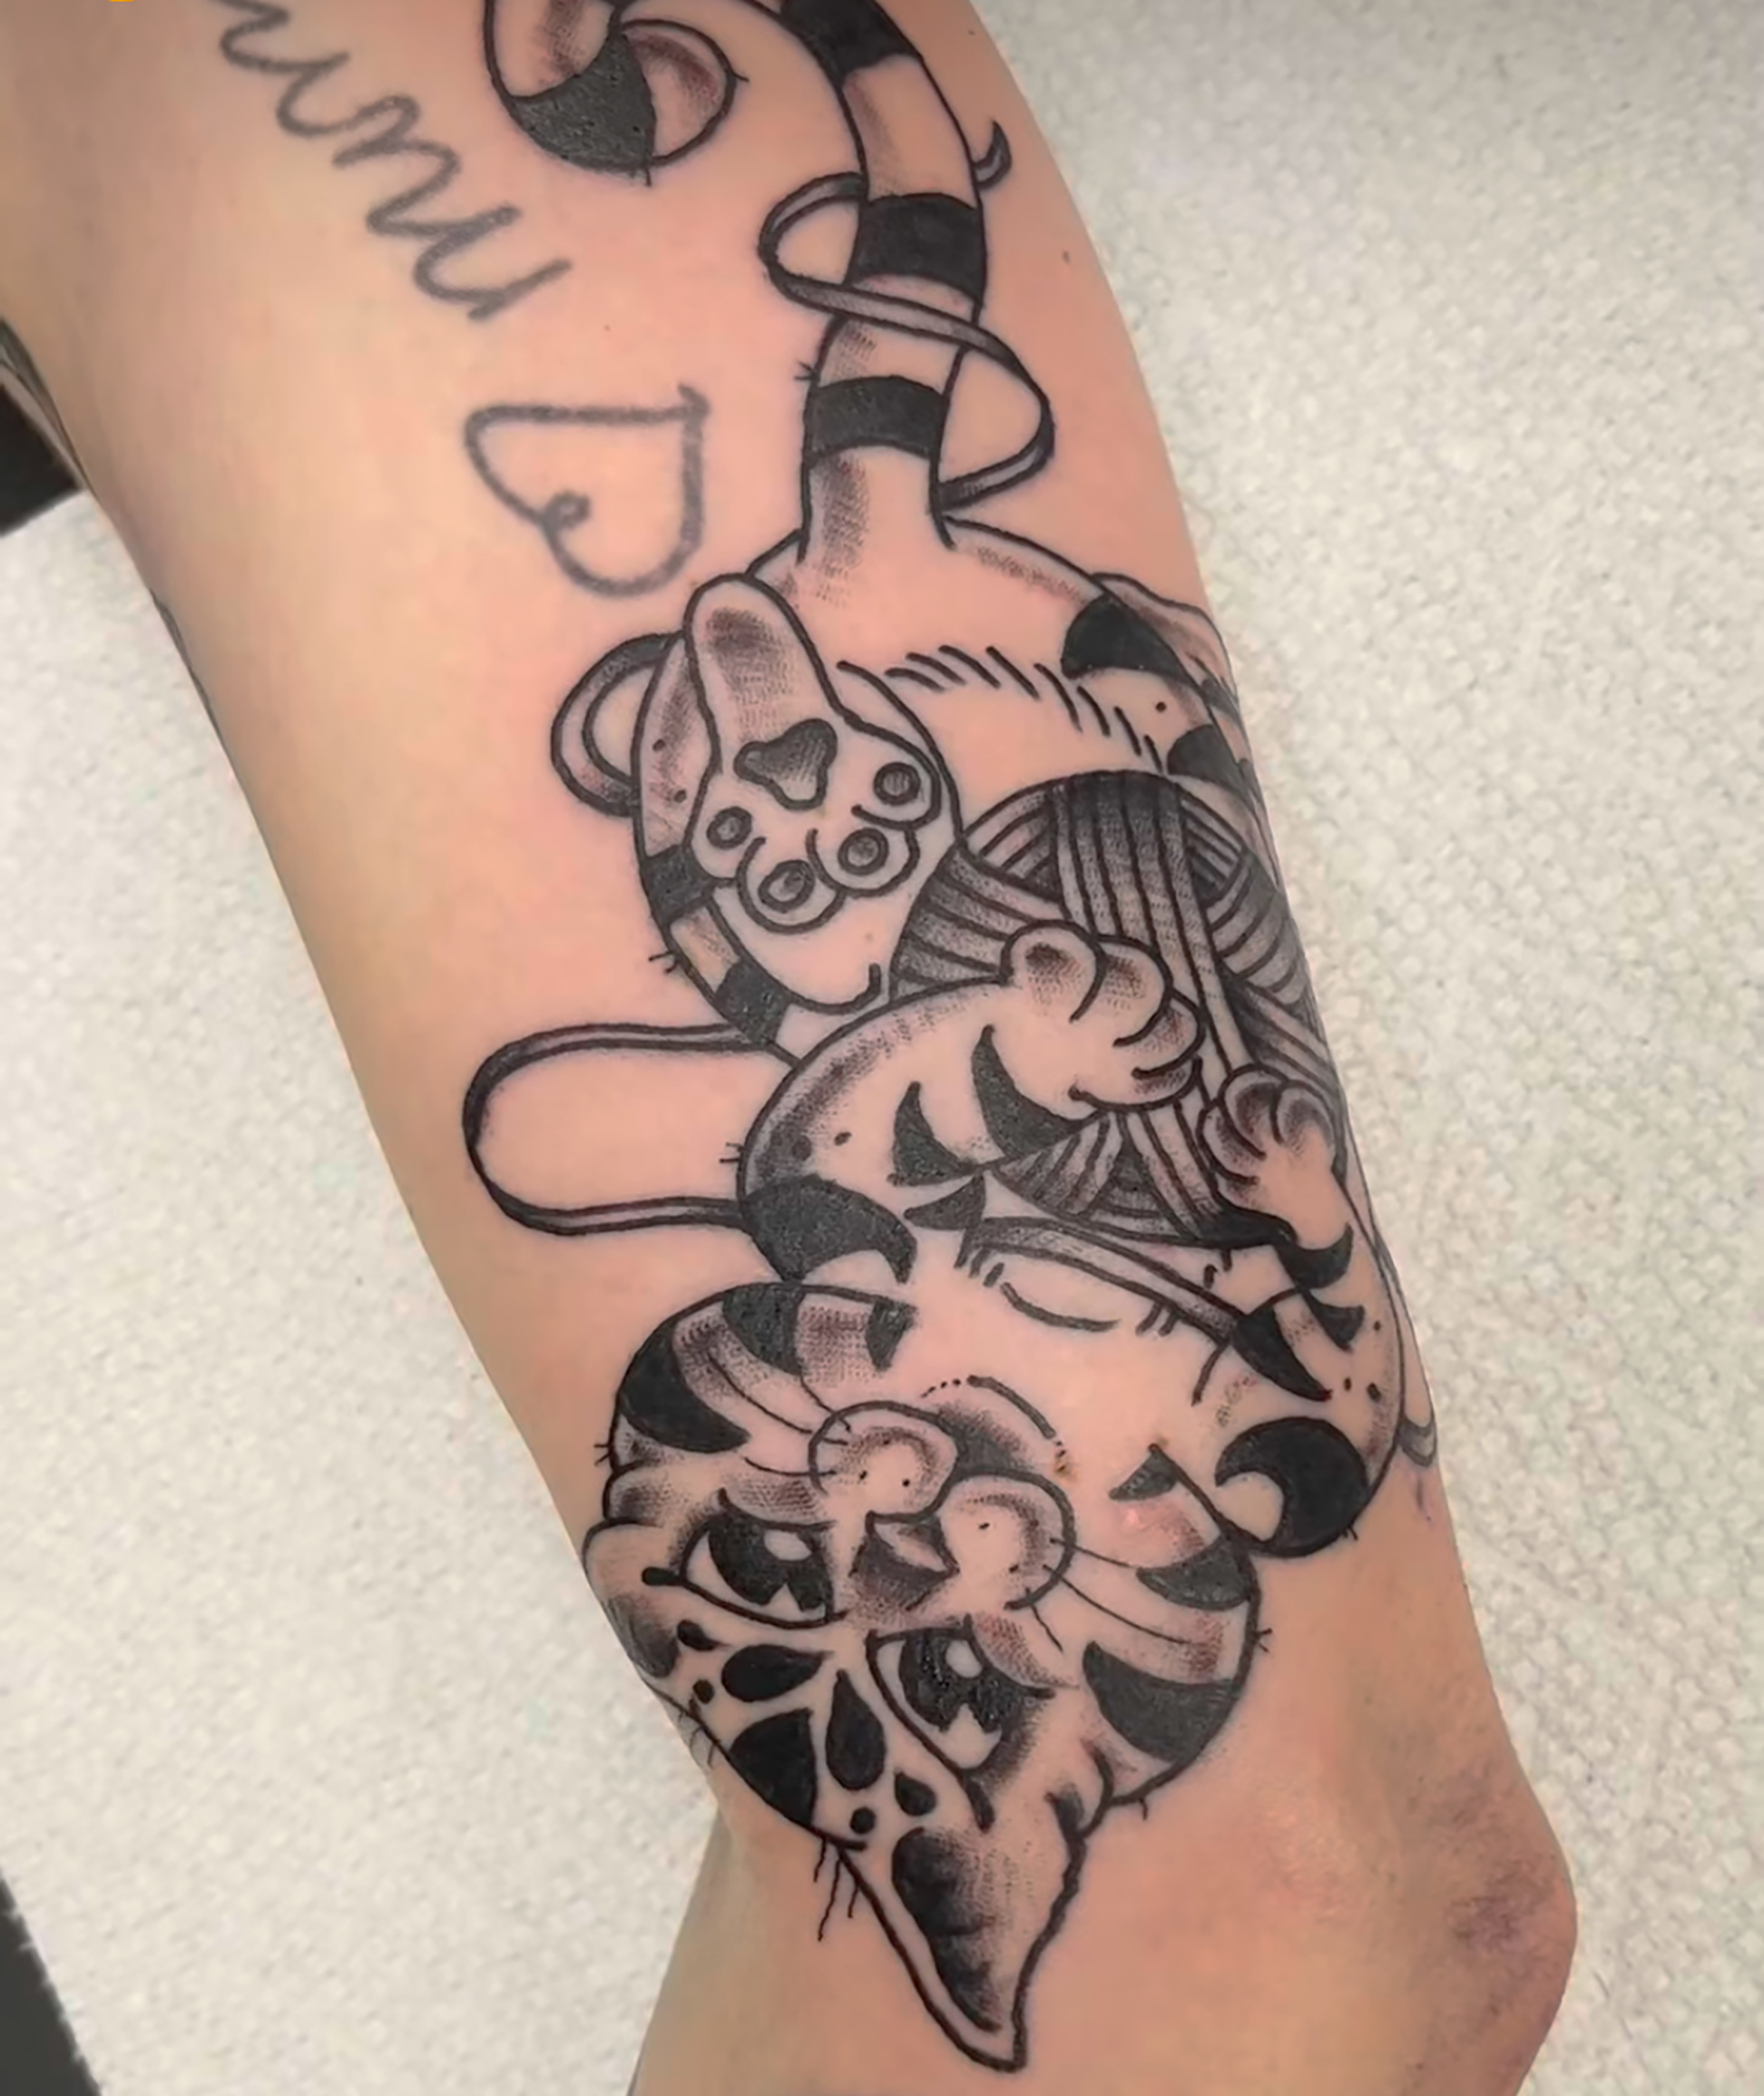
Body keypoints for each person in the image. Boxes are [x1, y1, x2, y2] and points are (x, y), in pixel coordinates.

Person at [0, 3, 1574, 2090]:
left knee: (1258, 1908)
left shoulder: (855, 588)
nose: (795, 801)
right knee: (1262, 1902)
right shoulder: (879, 620)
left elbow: (904, 279)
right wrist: (1242, 1207)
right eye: (759, 840)